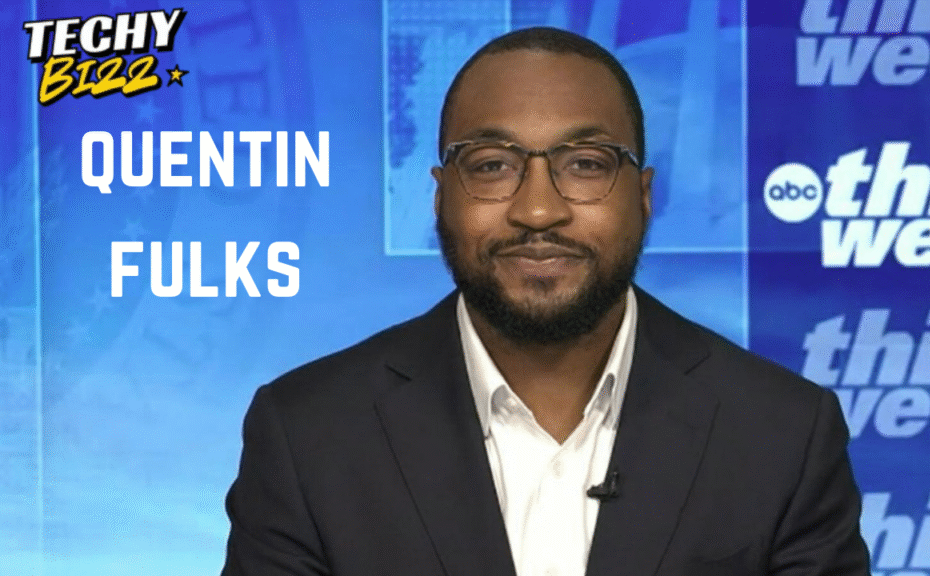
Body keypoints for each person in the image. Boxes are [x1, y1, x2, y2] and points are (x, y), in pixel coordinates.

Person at [221, 26, 870, 576]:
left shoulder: (781, 435)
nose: (538, 210)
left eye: (585, 164)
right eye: (491, 165)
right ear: (441, 197)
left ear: (644, 196)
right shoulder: (310, 434)